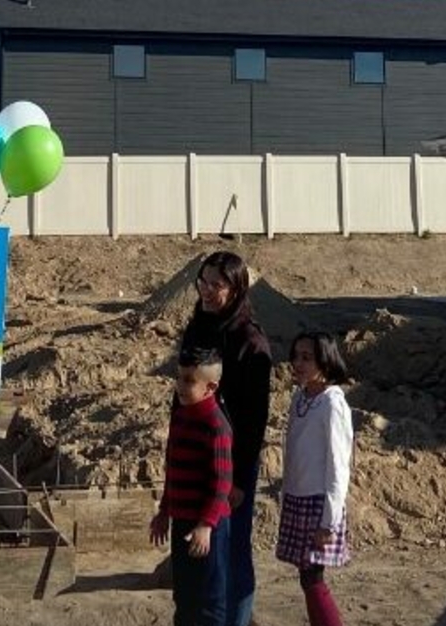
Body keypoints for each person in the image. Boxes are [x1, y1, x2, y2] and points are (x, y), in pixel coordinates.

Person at [178, 251, 272, 626]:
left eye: (217, 284)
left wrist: (238, 478)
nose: (207, 290)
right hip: (193, 456)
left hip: (230, 463)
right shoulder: (198, 327)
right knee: (199, 554)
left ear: (235, 290)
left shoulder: (250, 341)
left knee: (230, 552)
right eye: (203, 281)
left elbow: (254, 419)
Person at [151, 347, 234, 626]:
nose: (181, 386)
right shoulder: (181, 417)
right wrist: (164, 511)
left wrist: (206, 525)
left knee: (209, 601)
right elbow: (172, 470)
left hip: (208, 529)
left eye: (189, 380)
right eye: (179, 378)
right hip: (182, 524)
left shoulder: (215, 426)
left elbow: (221, 482)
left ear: (211, 387)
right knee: (184, 598)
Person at [276, 332, 353, 626]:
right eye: (296, 356)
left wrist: (328, 521)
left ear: (325, 360)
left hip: (319, 503)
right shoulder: (300, 398)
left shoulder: (332, 404)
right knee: (306, 577)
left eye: (307, 358)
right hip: (298, 497)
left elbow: (338, 465)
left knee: (312, 577)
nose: (298, 363)